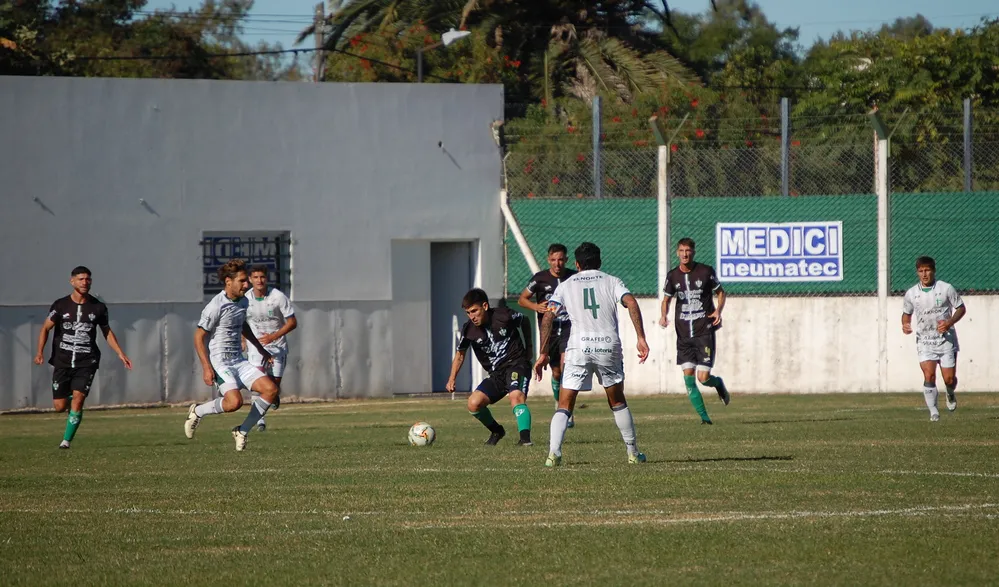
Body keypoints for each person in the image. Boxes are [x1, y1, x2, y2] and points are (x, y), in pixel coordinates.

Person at [534, 242, 650, 466]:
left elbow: (548, 316)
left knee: (565, 404)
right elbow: (631, 302)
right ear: (600, 262)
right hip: (608, 346)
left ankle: (553, 454)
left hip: (578, 347)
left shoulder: (566, 285)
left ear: (576, 264)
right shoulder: (612, 281)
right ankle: (633, 452)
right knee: (617, 401)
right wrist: (641, 338)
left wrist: (543, 353)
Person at [184, 259, 281, 451]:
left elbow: (242, 325)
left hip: (238, 360)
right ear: (228, 281)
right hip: (221, 363)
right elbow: (198, 336)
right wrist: (206, 367)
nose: (247, 285)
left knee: (271, 390)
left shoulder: (244, 301)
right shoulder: (215, 306)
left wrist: (260, 349)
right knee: (234, 403)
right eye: (243, 281)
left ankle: (242, 431)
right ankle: (198, 411)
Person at [34, 266, 133, 449]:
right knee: (59, 406)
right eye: (81, 279)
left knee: (79, 398)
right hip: (62, 361)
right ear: (72, 281)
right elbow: (45, 328)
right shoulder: (60, 305)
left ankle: (66, 441)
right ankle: (72, 399)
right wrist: (40, 351)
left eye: (88, 279)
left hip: (87, 361)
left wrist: (121, 353)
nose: (85, 282)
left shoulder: (98, 307)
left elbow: (107, 332)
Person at [446, 288, 534, 446]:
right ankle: (497, 431)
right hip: (497, 374)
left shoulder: (504, 315)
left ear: (485, 306)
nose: (472, 317)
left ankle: (525, 440)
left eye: (474, 311)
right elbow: (460, 354)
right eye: (468, 313)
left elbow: (525, 321)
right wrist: (452, 378)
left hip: (517, 364)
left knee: (516, 396)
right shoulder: (469, 330)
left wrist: (529, 348)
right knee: (474, 403)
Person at [659, 238, 730, 425]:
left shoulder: (705, 271)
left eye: (688, 250)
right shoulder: (672, 276)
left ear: (694, 252)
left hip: (704, 332)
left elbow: (721, 292)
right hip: (683, 336)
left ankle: (718, 384)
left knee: (703, 378)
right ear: (677, 253)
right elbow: (666, 299)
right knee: (689, 381)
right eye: (681, 250)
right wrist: (663, 316)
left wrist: (718, 311)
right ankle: (705, 418)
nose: (685, 254)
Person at [519, 243, 577, 428]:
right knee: (557, 372)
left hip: (569, 328)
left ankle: (566, 411)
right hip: (549, 331)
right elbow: (522, 299)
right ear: (548, 260)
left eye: (560, 259)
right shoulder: (540, 279)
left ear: (566, 260)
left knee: (566, 366)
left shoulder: (573, 278)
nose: (557, 263)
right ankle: (559, 402)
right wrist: (536, 307)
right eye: (553, 260)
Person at [902, 256, 966, 421]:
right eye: (921, 271)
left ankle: (950, 392)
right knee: (929, 375)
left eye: (927, 270)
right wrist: (905, 324)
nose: (924, 274)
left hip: (946, 340)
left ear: (933, 270)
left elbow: (960, 308)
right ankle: (934, 412)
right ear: (917, 272)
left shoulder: (946, 288)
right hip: (925, 341)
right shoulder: (911, 293)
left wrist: (950, 322)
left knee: (949, 379)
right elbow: (906, 313)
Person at [243, 265, 297, 431]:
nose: (260, 281)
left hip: (277, 347)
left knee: (273, 388)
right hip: (255, 347)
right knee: (258, 383)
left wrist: (273, 336)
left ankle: (274, 397)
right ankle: (260, 421)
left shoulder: (277, 297)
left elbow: (292, 322)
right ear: (250, 279)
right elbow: (241, 322)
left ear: (267, 278)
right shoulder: (245, 298)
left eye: (262, 277)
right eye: (256, 277)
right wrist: (243, 340)